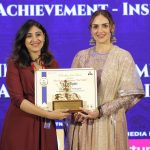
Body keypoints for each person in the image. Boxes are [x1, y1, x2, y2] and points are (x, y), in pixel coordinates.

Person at [68, 10, 144, 150]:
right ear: (90, 30)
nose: (100, 30)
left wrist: (101, 111)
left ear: (112, 28)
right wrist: (76, 112)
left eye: (104, 25)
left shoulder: (123, 57)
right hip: (84, 125)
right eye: (95, 26)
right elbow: (71, 91)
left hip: (110, 123)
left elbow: (129, 95)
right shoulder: (81, 56)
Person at [0, 19, 70, 150]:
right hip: (22, 123)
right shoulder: (14, 63)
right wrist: (49, 115)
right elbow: (18, 99)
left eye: (38, 34)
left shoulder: (52, 64)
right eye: (29, 36)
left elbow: (59, 95)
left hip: (46, 126)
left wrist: (73, 107)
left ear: (44, 37)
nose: (34, 39)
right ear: (23, 40)